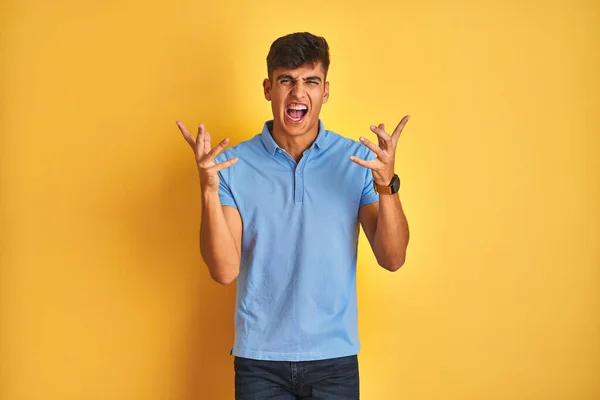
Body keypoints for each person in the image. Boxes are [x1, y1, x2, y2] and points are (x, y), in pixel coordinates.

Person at [176, 32, 410, 400]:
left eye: (310, 82)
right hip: (260, 363)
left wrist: (386, 186)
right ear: (269, 88)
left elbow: (393, 258)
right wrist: (208, 189)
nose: (298, 93)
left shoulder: (357, 162)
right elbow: (224, 271)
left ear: (325, 91)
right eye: (287, 80)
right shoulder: (233, 166)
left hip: (334, 360)